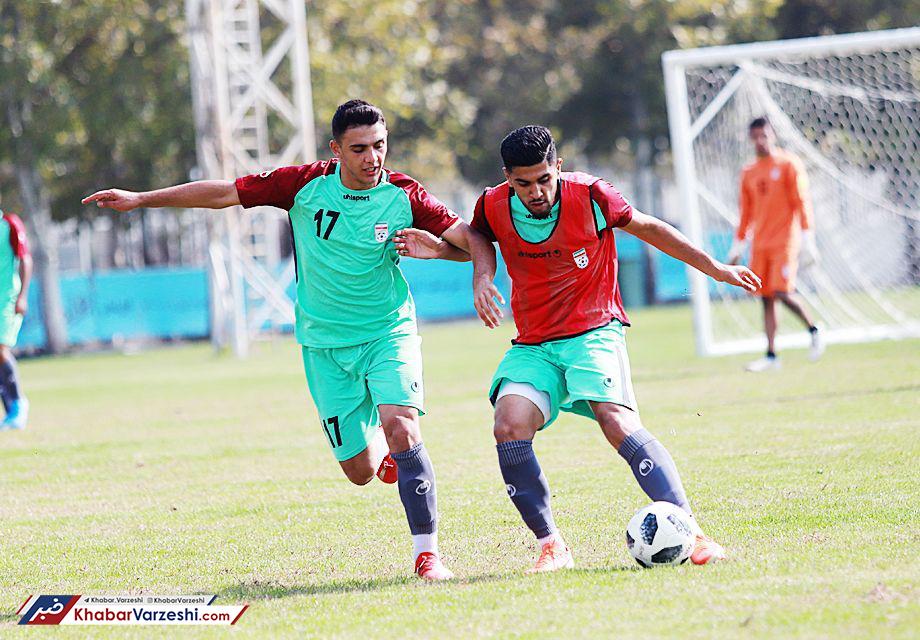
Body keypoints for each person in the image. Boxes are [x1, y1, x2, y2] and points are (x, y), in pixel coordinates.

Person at [83, 99, 492, 581]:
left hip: (388, 331)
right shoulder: (303, 184)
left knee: (402, 426)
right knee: (359, 472)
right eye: (359, 149)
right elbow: (223, 194)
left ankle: (428, 556)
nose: (372, 158)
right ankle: (385, 458)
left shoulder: (406, 194)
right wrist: (141, 198)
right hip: (323, 344)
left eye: (379, 146)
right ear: (335, 149)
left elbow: (472, 242)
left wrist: (460, 264)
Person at [398, 125, 761, 572]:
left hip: (595, 330)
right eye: (523, 183)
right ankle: (553, 547)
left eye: (544, 179)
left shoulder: (591, 196)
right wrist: (475, 273)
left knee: (616, 421)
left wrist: (715, 268)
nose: (536, 192)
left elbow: (650, 228)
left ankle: (695, 533)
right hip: (535, 342)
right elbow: (479, 239)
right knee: (508, 424)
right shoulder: (492, 204)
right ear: (507, 177)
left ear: (558, 167)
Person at [729, 117, 824, 372]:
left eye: (765, 135)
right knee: (766, 297)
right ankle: (771, 355)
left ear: (772, 135)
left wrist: (808, 239)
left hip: (785, 241)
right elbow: (746, 212)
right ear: (751, 139)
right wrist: (737, 246)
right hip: (760, 243)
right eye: (756, 136)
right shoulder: (748, 172)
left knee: (782, 292)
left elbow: (801, 201)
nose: (761, 141)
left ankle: (814, 330)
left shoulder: (788, 164)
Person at [0, 204, 32, 430]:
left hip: (7, 299)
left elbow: (26, 259)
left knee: (1, 349)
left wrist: (22, 296)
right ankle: (10, 410)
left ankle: (18, 404)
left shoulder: (9, 224)